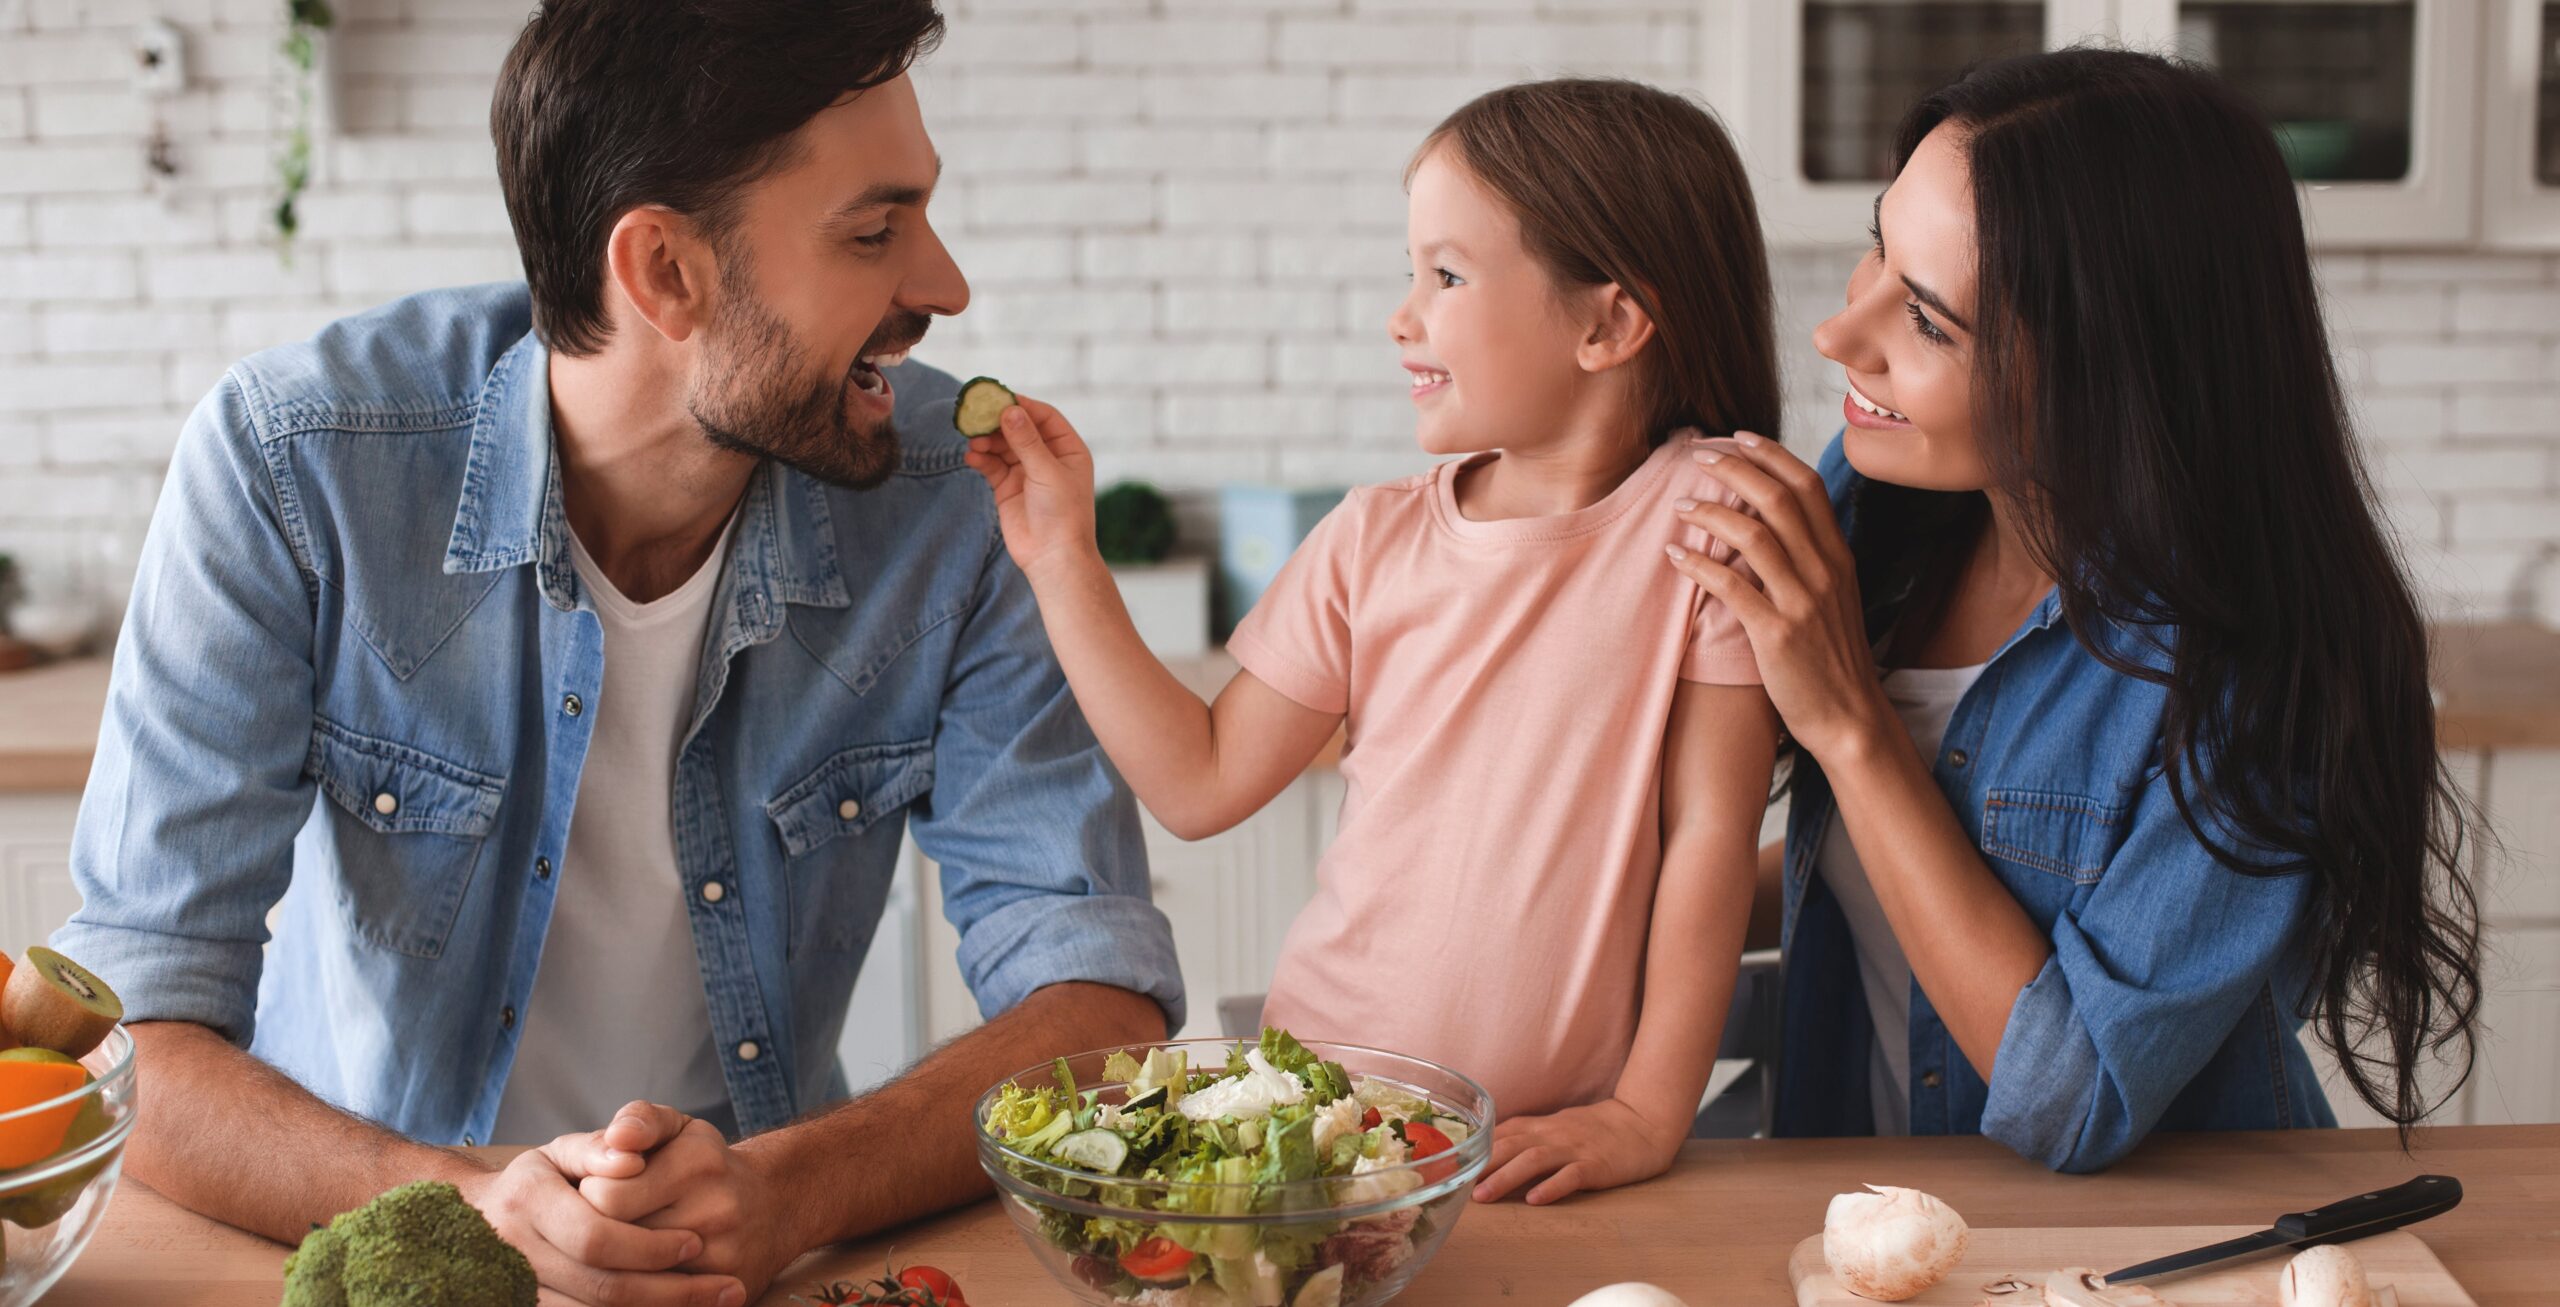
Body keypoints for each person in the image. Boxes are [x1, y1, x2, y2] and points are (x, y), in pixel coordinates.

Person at [53, 2, 1182, 1300]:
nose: (943, 286)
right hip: (378, 1257)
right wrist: (472, 1199)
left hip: (761, 1263)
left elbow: (1096, 995)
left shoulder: (957, 500)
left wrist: (784, 1188)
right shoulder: (294, 467)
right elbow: (132, 1038)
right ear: (662, 272)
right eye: (874, 231)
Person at [1657, 47, 2482, 1171]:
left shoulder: (2251, 676)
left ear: (2118, 370)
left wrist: (1849, 727)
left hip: (2138, 1249)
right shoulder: (1880, 512)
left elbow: (2074, 1092)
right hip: (1869, 1219)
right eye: (1878, 249)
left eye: (1930, 323)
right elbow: (1844, 869)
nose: (1841, 338)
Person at [966, 78, 1783, 1207]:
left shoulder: (1711, 524)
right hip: (1320, 1122)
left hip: (1544, 1156)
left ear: (1607, 322)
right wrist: (1064, 558)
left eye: (1445, 276)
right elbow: (1197, 783)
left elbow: (1710, 835)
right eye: (1412, 273)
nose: (1402, 315)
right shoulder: (1371, 538)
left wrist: (1647, 1112)